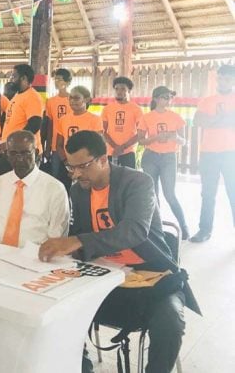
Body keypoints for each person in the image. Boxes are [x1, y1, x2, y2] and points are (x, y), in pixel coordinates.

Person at [39, 131, 193, 373]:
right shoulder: (79, 190)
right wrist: (66, 248)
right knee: (56, 313)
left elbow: (134, 231)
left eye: (83, 166)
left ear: (103, 159)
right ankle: (82, 366)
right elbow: (80, 233)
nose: (76, 173)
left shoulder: (138, 182)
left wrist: (77, 240)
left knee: (170, 325)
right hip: (103, 274)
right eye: (72, 167)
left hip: (151, 273)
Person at [0, 131, 69, 245]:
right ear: (7, 155)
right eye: (13, 153)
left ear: (36, 153)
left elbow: (56, 240)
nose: (19, 158)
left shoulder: (55, 189)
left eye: (25, 153)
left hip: (35, 258)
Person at [191, 64, 235, 243]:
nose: (224, 81)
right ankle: (204, 230)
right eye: (221, 78)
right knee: (208, 193)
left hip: (231, 153)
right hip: (209, 153)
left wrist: (213, 120)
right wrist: (225, 119)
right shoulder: (207, 100)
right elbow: (198, 121)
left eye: (228, 78)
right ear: (217, 78)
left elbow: (209, 122)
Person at [138, 86, 190, 239]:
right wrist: (155, 138)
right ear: (156, 98)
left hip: (168, 157)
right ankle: (156, 227)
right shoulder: (147, 117)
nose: (168, 100)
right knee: (153, 194)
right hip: (151, 156)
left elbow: (184, 140)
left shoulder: (176, 117)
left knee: (170, 193)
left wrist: (174, 137)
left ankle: (183, 226)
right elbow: (141, 141)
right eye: (164, 97)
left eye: (169, 97)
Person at [101, 77, 143, 169]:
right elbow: (103, 131)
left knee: (127, 181)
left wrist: (123, 147)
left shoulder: (136, 109)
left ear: (129, 91)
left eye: (123, 89)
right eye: (116, 89)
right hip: (111, 152)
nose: (119, 91)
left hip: (128, 152)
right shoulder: (107, 109)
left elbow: (141, 133)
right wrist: (115, 147)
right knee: (111, 180)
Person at [56, 86, 103, 164]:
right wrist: (66, 161)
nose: (72, 101)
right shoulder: (63, 119)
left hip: (87, 164)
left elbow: (97, 146)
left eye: (76, 98)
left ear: (86, 99)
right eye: (70, 98)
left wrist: (83, 164)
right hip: (67, 163)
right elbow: (59, 145)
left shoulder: (95, 119)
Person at [43, 68, 73, 188]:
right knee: (55, 178)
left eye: (59, 79)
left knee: (70, 178)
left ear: (67, 82)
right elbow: (50, 125)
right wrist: (48, 146)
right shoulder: (50, 101)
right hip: (56, 147)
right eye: (55, 79)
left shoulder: (74, 100)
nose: (56, 82)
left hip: (71, 147)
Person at [1, 64, 43, 147]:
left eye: (14, 76)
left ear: (23, 78)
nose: (11, 79)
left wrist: (15, 142)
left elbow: (34, 124)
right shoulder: (17, 95)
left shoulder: (32, 96)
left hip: (23, 152)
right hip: (12, 148)